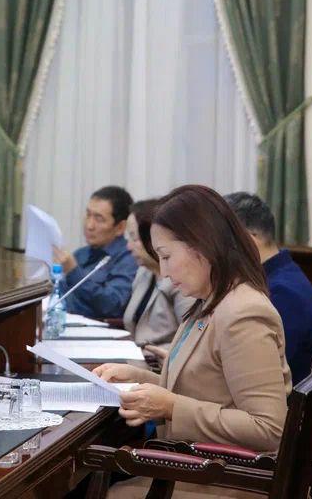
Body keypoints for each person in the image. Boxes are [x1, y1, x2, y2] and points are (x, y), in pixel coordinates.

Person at [93, 185, 291, 499]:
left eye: (167, 256)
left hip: (231, 478)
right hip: (201, 464)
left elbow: (268, 428)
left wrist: (170, 407)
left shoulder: (242, 313)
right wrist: (140, 379)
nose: (164, 271)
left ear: (202, 245)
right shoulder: (208, 301)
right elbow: (209, 387)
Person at [224, 192, 312, 384]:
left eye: (224, 243)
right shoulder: (278, 276)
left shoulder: (283, 294)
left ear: (249, 241)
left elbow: (260, 373)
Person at [52, 186, 138, 320]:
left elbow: (113, 305)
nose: (89, 225)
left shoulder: (129, 258)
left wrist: (74, 273)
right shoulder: (80, 254)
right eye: (88, 215)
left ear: (120, 227)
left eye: (99, 219)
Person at [123, 199, 195, 351]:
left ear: (153, 238)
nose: (128, 247)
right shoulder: (144, 272)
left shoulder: (182, 278)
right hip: (137, 357)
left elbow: (191, 339)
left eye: (134, 238)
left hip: (162, 362)